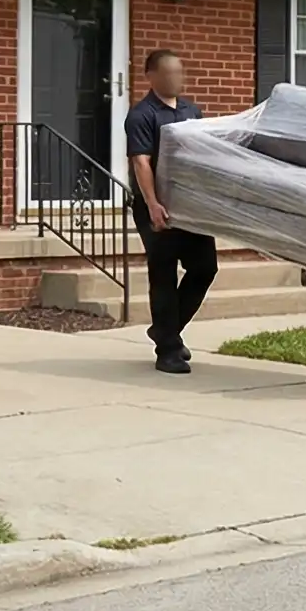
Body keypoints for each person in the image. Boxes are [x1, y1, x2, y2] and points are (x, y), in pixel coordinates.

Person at [124, 49, 218, 374]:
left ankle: (166, 330)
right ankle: (168, 351)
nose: (177, 78)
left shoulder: (192, 111)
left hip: (191, 207)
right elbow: (141, 161)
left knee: (205, 268)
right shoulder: (142, 115)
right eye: (169, 73)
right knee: (163, 275)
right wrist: (152, 204)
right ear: (151, 76)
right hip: (157, 207)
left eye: (180, 72)